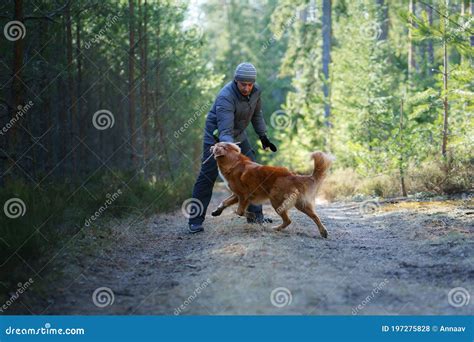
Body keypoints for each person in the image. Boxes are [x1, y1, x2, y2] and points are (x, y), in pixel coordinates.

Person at [188, 62, 277, 233]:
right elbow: (225, 131)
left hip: (239, 135)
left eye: (250, 84)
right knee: (207, 175)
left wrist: (263, 136)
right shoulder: (226, 97)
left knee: (253, 172)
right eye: (243, 84)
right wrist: (231, 152)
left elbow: (257, 114)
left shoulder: (256, 91)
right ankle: (195, 221)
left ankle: (255, 217)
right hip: (217, 138)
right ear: (236, 80)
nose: (247, 88)